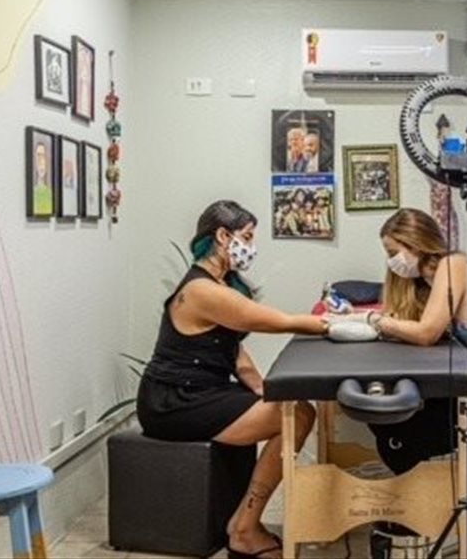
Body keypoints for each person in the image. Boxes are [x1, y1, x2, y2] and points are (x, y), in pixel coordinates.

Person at [137, 200, 327, 559]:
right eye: (247, 237)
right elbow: (278, 322)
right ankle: (243, 530)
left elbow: (233, 351)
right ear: (223, 236)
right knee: (299, 415)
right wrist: (336, 323)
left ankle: (244, 521)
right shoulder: (201, 291)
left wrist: (262, 389)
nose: (251, 247)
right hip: (173, 401)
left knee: (292, 409)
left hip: (199, 392)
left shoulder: (217, 284)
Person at [361, 208, 467, 475]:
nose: (392, 262)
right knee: (385, 416)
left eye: (394, 253)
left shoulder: (454, 266)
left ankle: (422, 494)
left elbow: (426, 332)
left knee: (398, 431)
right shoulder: (427, 281)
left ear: (415, 243)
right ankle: (418, 493)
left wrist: (374, 320)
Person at [32, 141, 53, 215]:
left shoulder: (49, 192)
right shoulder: (33, 191)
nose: (42, 162)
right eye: (38, 156)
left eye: (44, 156)